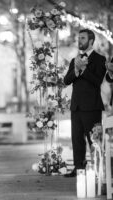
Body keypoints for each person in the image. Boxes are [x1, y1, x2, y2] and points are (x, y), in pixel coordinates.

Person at [63, 29, 106, 177]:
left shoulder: (100, 59)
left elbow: (97, 81)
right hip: (76, 107)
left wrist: (83, 69)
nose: (79, 41)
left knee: (94, 141)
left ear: (91, 41)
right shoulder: (75, 60)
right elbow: (66, 80)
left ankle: (99, 170)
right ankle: (79, 168)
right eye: (78, 38)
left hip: (92, 107)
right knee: (76, 140)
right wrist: (76, 69)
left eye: (82, 38)